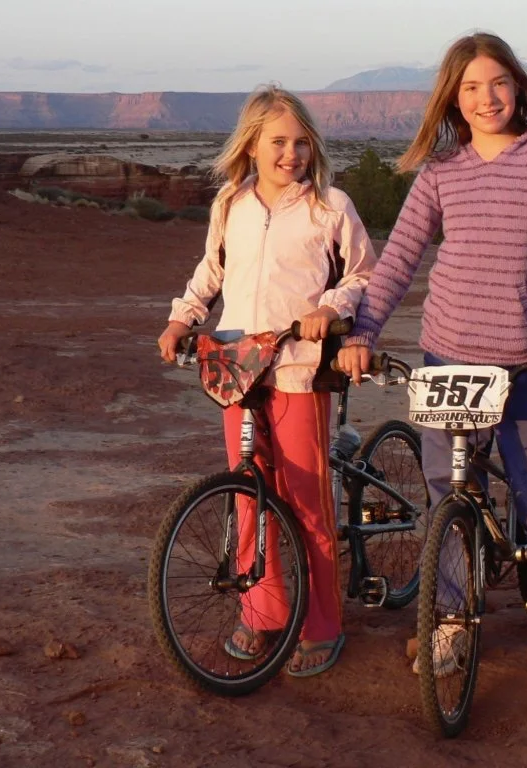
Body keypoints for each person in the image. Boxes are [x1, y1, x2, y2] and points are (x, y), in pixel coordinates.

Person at [337, 32, 527, 680]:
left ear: (518, 87)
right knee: (447, 493)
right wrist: (363, 332)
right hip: (448, 358)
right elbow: (400, 256)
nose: (486, 97)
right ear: (453, 98)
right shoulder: (442, 168)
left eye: (498, 82)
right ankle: (449, 619)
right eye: (470, 87)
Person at [158, 85, 376, 676]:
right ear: (251, 144)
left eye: (301, 142)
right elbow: (212, 270)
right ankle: (262, 613)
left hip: (299, 368)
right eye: (278, 141)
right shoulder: (231, 203)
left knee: (307, 503)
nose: (291, 154)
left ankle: (322, 624)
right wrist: (183, 317)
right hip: (236, 367)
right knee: (247, 495)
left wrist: (330, 308)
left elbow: (362, 275)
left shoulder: (330, 206)